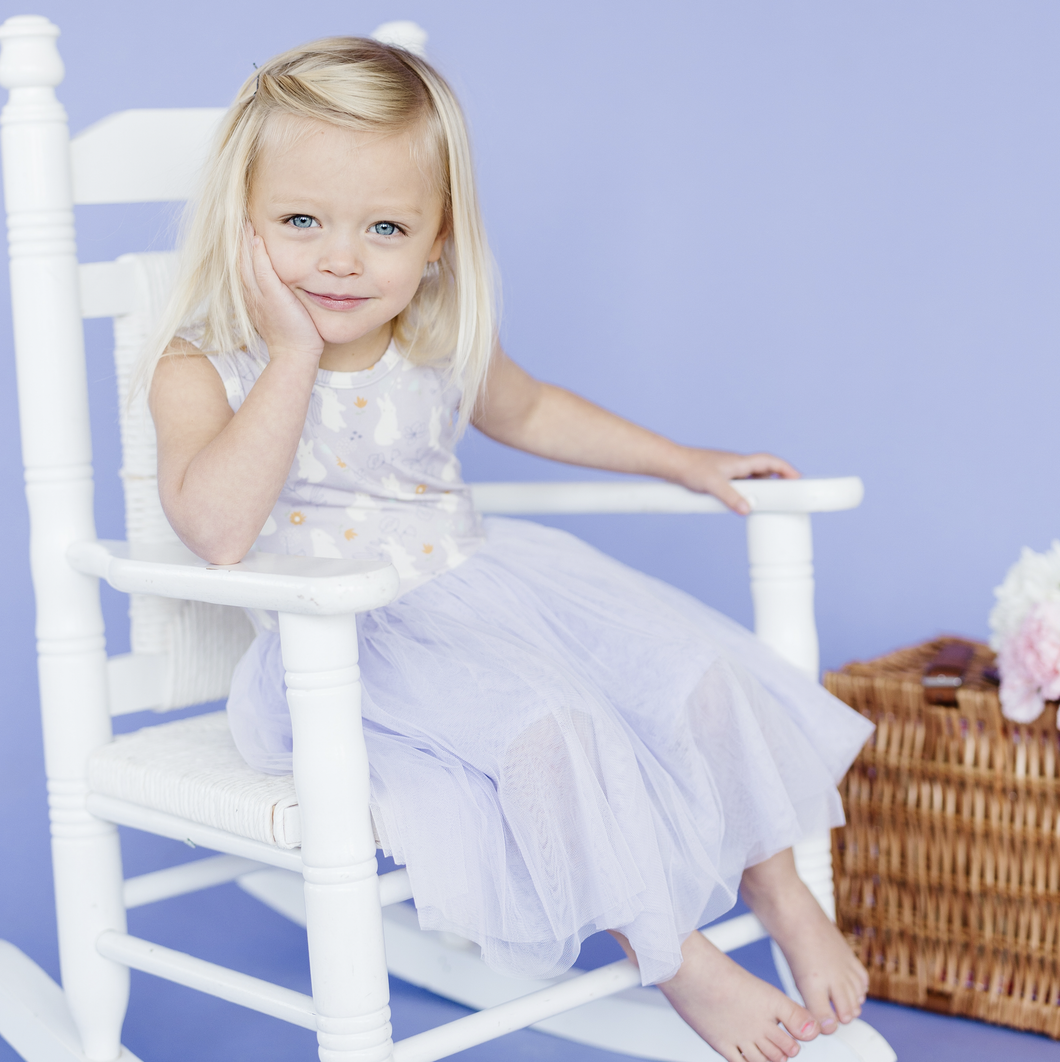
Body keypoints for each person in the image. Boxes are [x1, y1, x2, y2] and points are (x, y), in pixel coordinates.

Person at [145, 36, 873, 1062]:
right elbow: (216, 527)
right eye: (300, 222)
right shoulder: (204, 363)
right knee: (552, 733)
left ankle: (781, 890)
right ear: (243, 223)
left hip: (492, 588)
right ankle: (675, 957)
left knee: (694, 672)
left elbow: (531, 410)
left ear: (438, 241)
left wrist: (682, 462)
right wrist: (295, 354)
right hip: (361, 645)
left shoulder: (433, 334)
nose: (341, 258)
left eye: (385, 228)